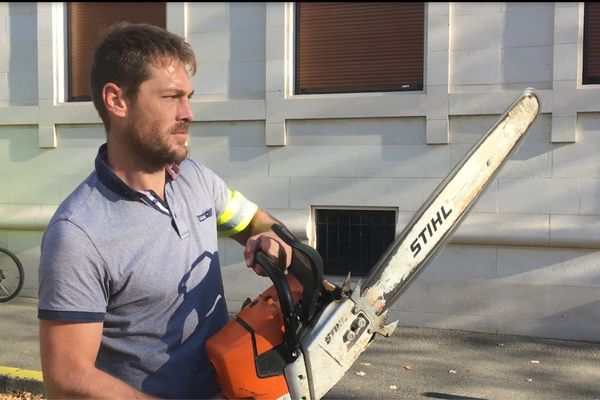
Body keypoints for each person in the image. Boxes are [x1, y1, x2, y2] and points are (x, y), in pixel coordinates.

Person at [37, 22, 292, 399]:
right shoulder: (77, 234)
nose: (188, 113)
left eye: (188, 96)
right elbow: (67, 380)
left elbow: (255, 221)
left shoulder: (198, 181)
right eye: (172, 97)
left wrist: (270, 238)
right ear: (116, 100)